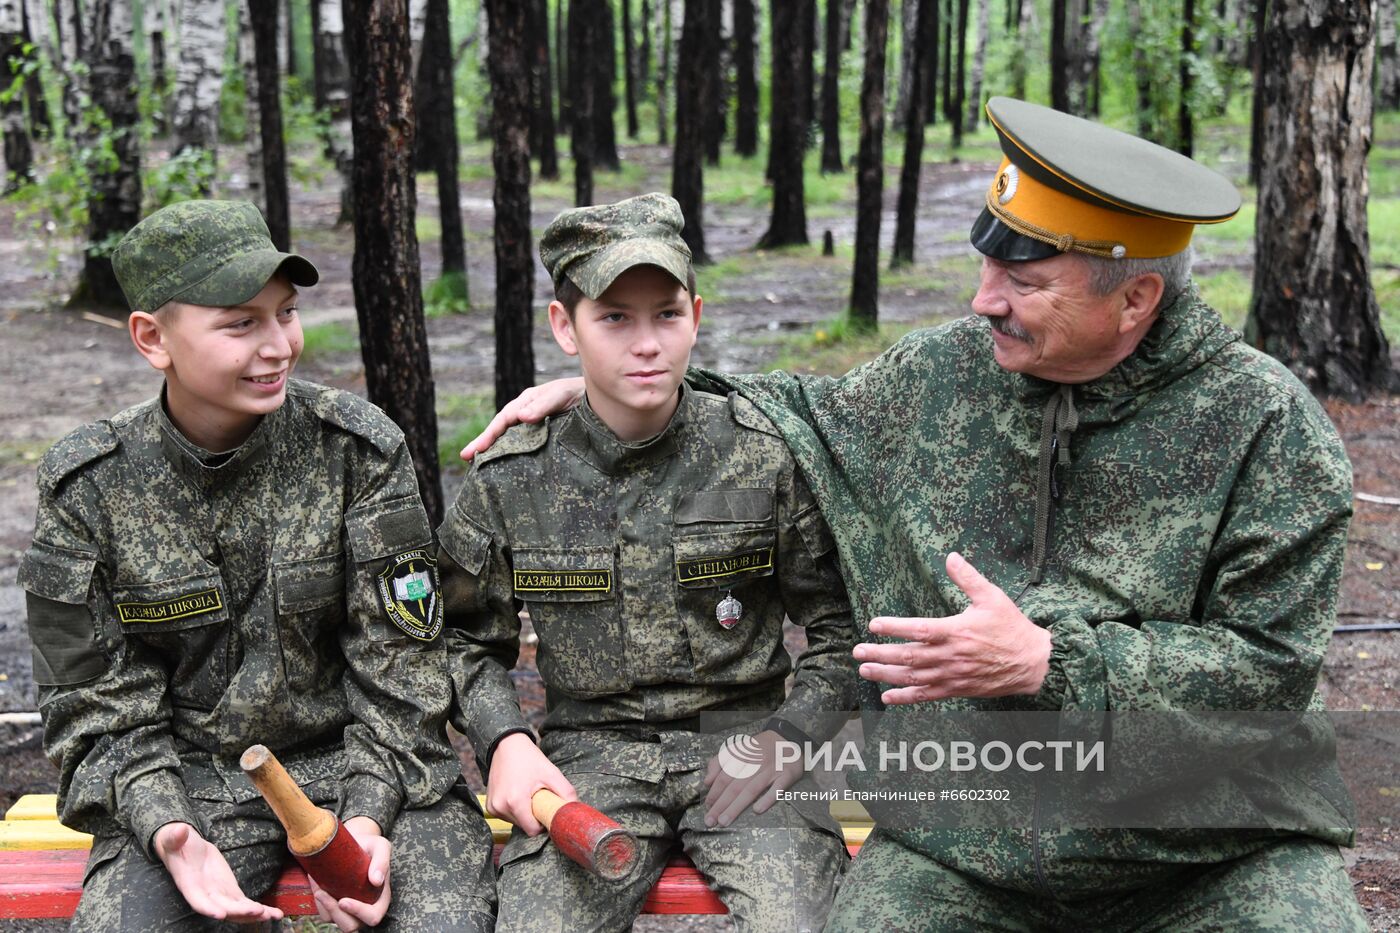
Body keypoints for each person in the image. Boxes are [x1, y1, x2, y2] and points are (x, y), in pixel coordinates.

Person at [462, 99, 1369, 929]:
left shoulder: (1267, 431)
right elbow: (803, 408)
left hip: (1213, 849)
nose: (984, 300)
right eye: (984, 265)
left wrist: (1052, 662)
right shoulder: (941, 377)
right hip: (969, 844)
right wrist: (611, 385)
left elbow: (1269, 671)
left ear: (1135, 298)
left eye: (1026, 281)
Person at [18, 200, 496, 932]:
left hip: (368, 766)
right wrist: (167, 828)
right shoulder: (88, 489)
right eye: (241, 323)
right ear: (153, 338)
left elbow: (404, 665)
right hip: (190, 780)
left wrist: (365, 819)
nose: (277, 345)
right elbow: (90, 702)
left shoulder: (357, 452)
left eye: (286, 313)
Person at [439, 193, 857, 932]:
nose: (646, 344)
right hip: (588, 758)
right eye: (614, 318)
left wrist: (792, 738)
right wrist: (503, 739)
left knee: (806, 922)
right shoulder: (511, 479)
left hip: (745, 744)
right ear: (565, 328)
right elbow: (463, 641)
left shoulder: (760, 454)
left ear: (696, 316)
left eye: (666, 314)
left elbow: (838, 624)